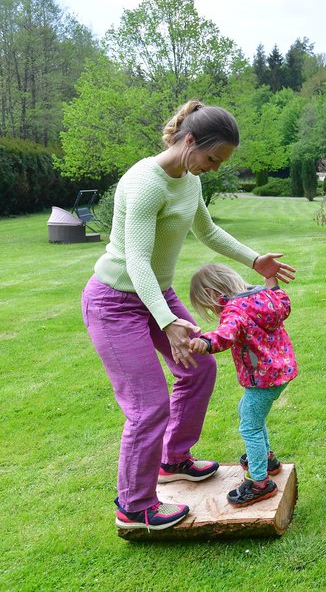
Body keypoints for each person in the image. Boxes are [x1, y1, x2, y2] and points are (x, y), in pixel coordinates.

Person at [81, 100, 296, 531]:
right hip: (114, 302)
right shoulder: (146, 182)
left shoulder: (188, 180)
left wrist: (256, 261)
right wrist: (167, 321)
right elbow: (138, 262)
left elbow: (208, 230)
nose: (215, 168)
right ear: (190, 141)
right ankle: (136, 504)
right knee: (147, 406)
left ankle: (173, 458)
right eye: (212, 158)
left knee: (199, 368)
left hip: (154, 294)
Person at [189, 263, 298, 507]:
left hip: (262, 379)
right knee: (250, 416)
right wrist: (271, 280)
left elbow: (226, 333)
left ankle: (260, 483)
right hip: (280, 371)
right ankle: (266, 460)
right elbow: (284, 303)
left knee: (249, 428)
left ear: (212, 295)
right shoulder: (264, 296)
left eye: (210, 307)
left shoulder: (234, 309)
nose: (214, 311)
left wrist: (205, 342)